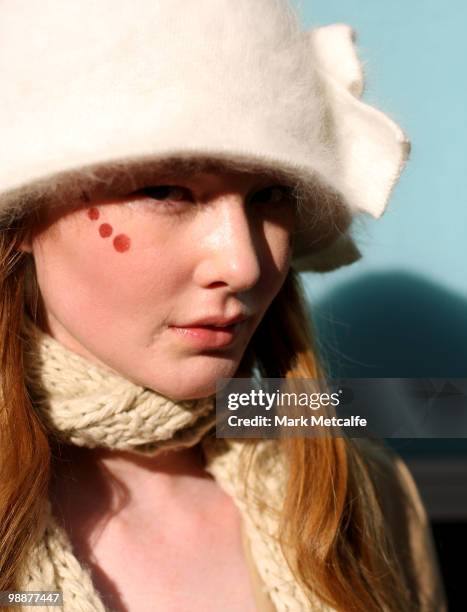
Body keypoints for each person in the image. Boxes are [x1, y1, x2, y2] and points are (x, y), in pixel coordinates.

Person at [0, 1, 446, 611]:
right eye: (164, 190)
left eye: (271, 195)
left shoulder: (360, 497)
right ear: (22, 214)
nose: (244, 264)